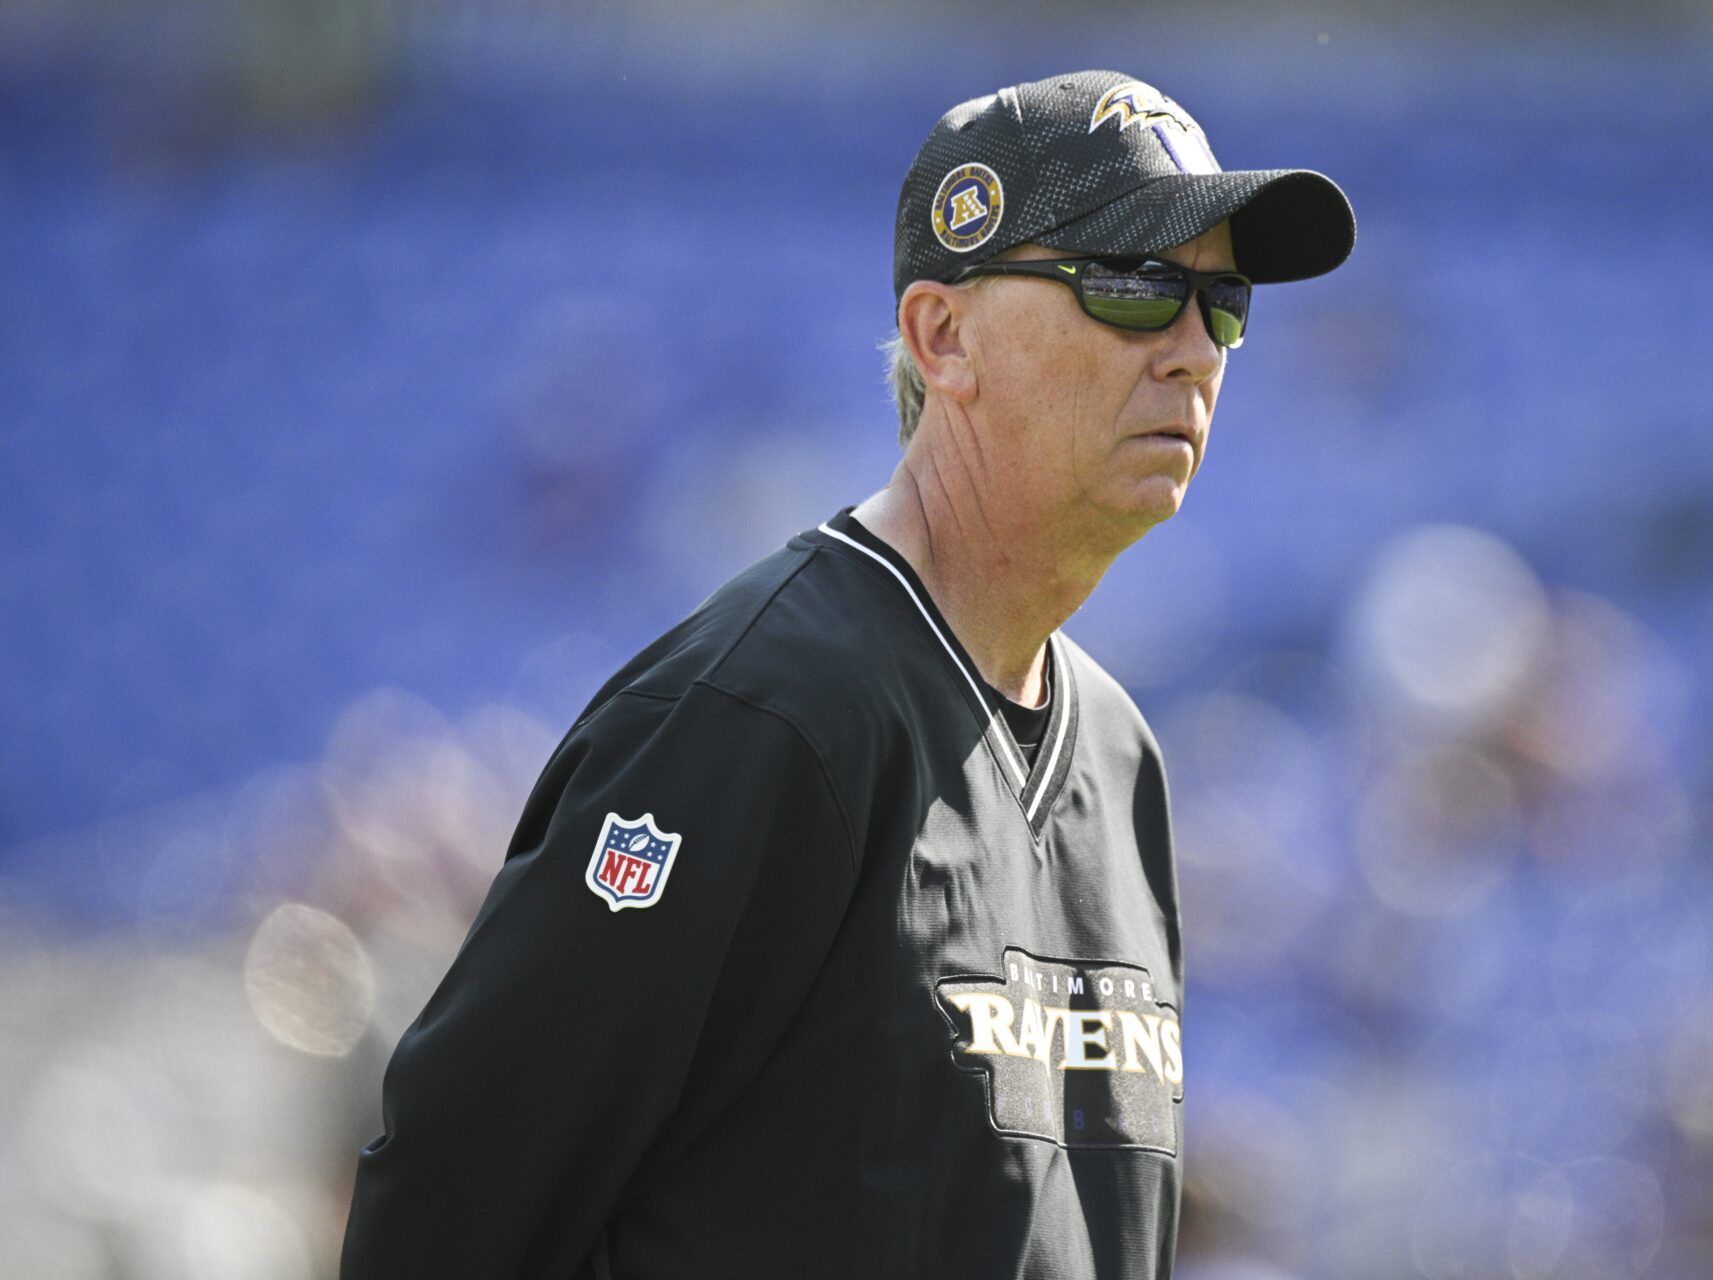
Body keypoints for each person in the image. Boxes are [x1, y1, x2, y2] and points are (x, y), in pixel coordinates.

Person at [339, 68, 1352, 1280]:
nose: (1194, 349)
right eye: (1132, 286)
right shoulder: (762, 713)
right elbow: (454, 1198)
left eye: (1222, 300)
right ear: (944, 335)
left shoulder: (1122, 756)